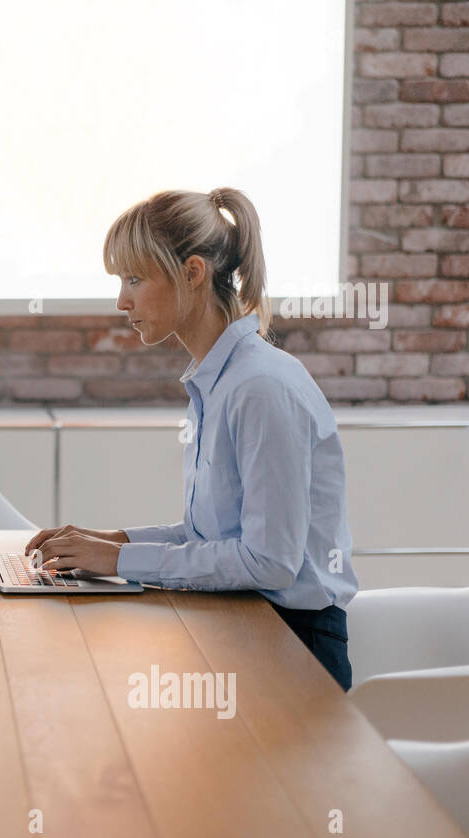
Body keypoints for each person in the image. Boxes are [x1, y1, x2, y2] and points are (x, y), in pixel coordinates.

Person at [26, 187, 359, 690]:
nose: (122, 301)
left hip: (293, 647)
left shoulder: (261, 388)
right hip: (245, 626)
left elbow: (269, 562)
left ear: (193, 273)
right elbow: (216, 539)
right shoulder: (219, 380)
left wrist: (118, 561)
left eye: (134, 279)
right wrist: (108, 543)